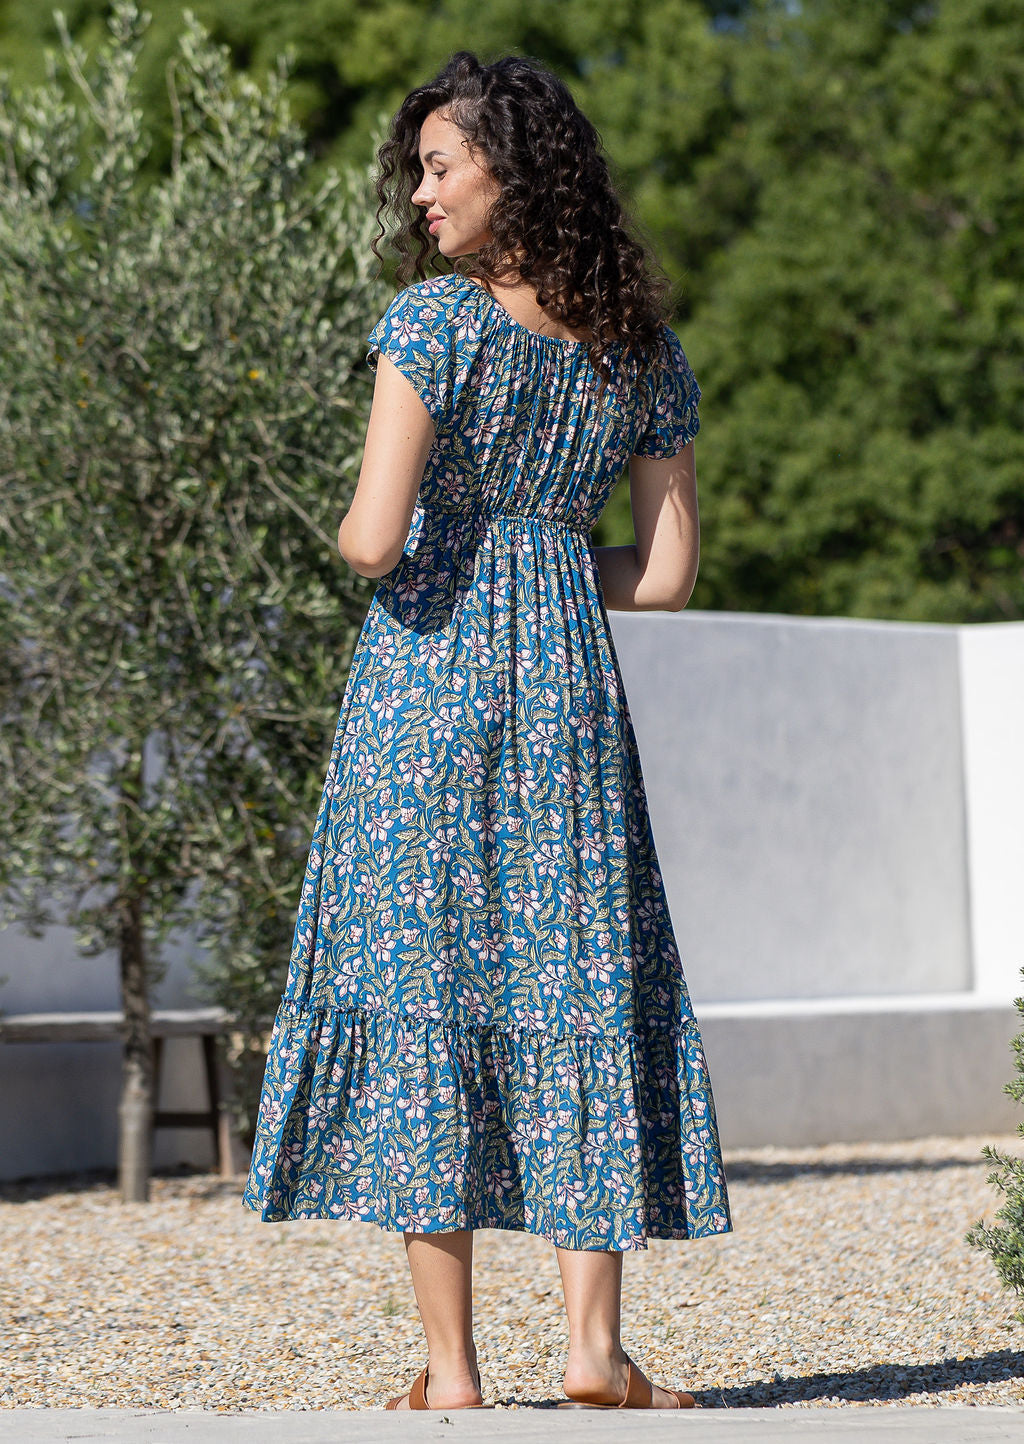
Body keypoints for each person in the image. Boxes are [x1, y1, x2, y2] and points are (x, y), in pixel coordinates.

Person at [243, 49, 733, 1412]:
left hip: (427, 690)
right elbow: (668, 574)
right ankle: (593, 1353)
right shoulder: (640, 349)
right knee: (577, 978)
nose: (420, 192)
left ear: (510, 172)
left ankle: (451, 1370)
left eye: (439, 165)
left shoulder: (433, 325)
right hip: (566, 691)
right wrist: (548, 559)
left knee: (426, 991)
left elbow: (372, 538)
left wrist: (417, 535)